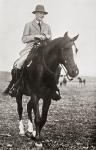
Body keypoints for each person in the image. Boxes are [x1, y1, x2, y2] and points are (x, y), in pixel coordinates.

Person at [4, 4, 61, 100]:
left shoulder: (47, 26)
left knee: (57, 66)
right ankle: (16, 86)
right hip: (31, 48)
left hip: (44, 50)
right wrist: (35, 36)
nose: (41, 15)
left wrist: (47, 37)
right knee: (20, 63)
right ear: (35, 14)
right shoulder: (28, 25)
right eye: (40, 13)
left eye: (43, 13)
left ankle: (52, 89)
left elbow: (50, 38)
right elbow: (24, 39)